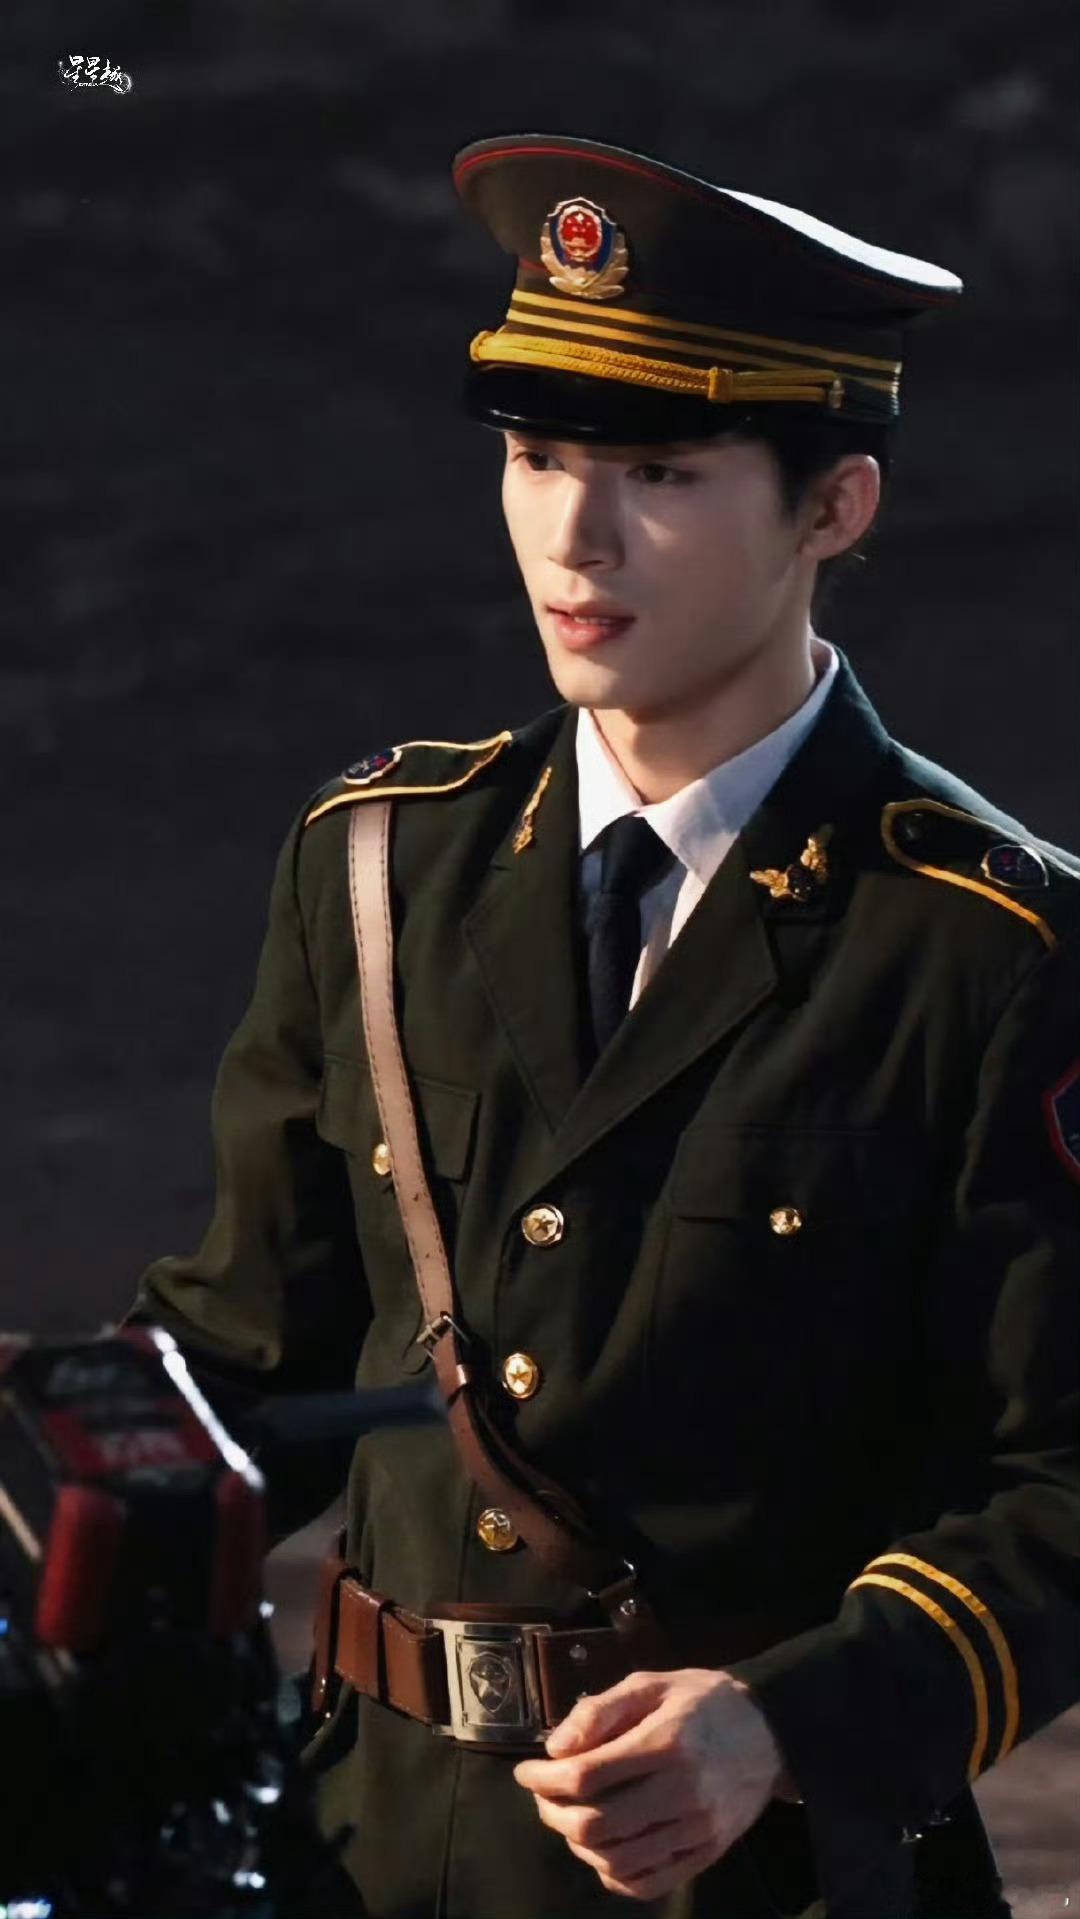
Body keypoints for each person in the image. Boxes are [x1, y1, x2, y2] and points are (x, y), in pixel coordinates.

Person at [118, 132, 1080, 1919]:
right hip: (368, 1852)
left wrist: (786, 1727)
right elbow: (249, 1352)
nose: (575, 536)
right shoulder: (379, 866)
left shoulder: (987, 949)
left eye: (661, 472)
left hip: (769, 1875)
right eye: (538, 457)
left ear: (834, 509)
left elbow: (1066, 1481)